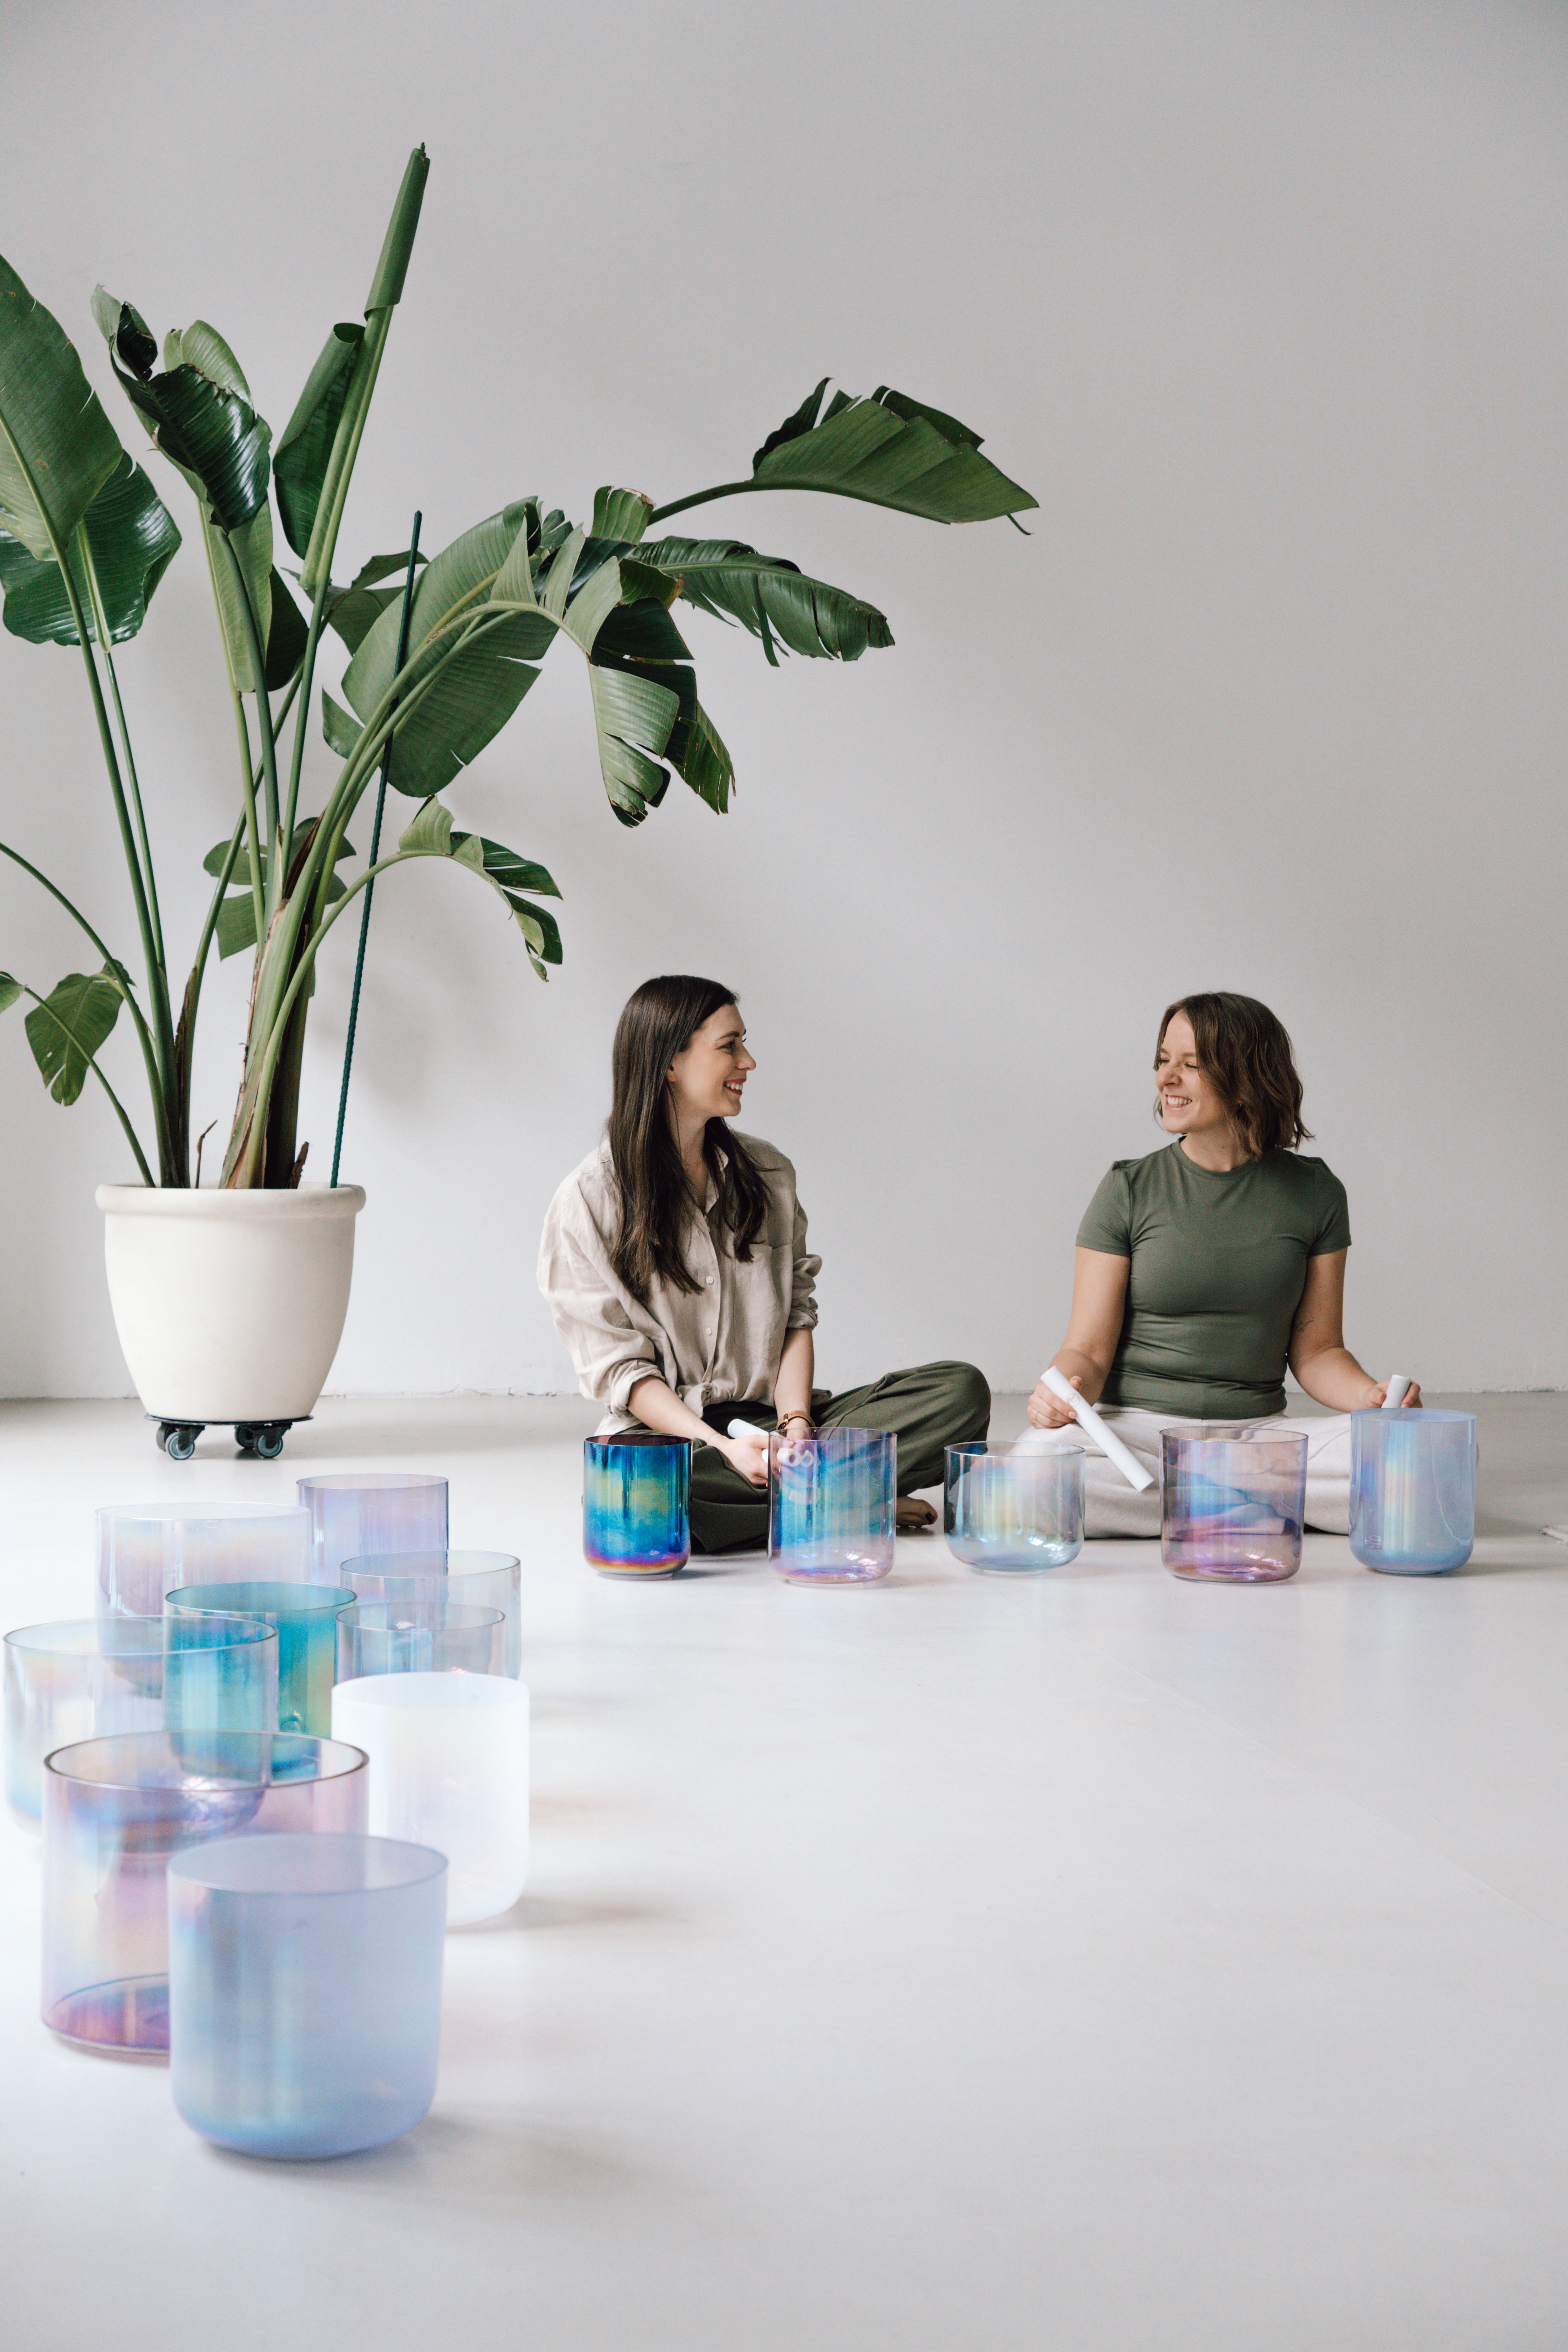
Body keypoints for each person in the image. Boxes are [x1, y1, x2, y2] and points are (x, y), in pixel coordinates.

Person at [539, 975, 991, 1553]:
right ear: (670, 1062)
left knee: (960, 1391)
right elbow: (623, 1372)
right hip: (678, 1438)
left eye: (743, 1044)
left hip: (777, 1423)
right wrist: (724, 1448)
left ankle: (804, 1498)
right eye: (729, 1046)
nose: (747, 1062)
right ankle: (849, 1498)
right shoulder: (587, 1201)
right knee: (637, 1491)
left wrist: (795, 1426)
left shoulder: (769, 1173)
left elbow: (796, 1316)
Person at [1027, 991, 1420, 1536]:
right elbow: (1088, 1351)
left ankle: (1196, 1498)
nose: (1166, 1078)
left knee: (1417, 1453)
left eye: (1191, 1065)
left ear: (1246, 1079)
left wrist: (1373, 1400)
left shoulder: (1316, 1192)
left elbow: (1318, 1351)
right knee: (1037, 1470)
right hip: (1140, 1432)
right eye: (1163, 1060)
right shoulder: (1127, 1189)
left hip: (1258, 1437)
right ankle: (1256, 1502)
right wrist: (1061, 1396)